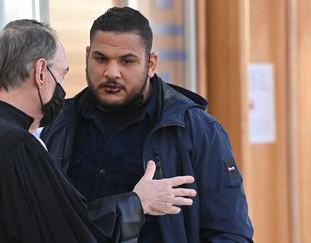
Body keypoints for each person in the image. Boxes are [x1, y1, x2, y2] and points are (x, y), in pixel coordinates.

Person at [0, 19, 198, 243]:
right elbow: (70, 231)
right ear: (41, 72)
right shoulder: (15, 145)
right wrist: (138, 202)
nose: (63, 88)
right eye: (63, 74)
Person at [41, 7, 254, 243]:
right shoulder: (58, 122)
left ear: (151, 64)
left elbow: (231, 235)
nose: (112, 72)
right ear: (87, 56)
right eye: (101, 59)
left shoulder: (196, 130)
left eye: (127, 61)